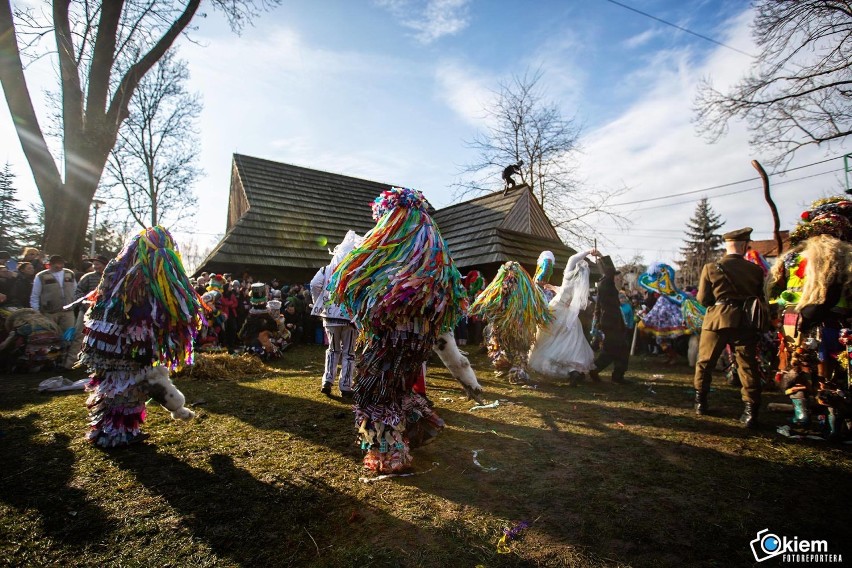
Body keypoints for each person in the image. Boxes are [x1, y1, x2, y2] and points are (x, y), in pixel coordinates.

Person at [329, 187, 467, 473]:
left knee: (374, 391)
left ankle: (390, 454)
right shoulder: (433, 261)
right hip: (416, 342)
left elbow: (351, 280)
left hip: (390, 339)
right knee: (397, 386)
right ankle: (413, 431)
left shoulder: (389, 258)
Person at [80, 227, 201, 447]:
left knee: (115, 384)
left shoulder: (116, 268)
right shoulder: (153, 269)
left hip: (103, 339)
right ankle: (116, 435)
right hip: (128, 341)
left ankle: (109, 431)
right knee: (126, 386)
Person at [694, 227, 766, 429]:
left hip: (717, 319)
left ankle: (701, 402)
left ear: (727, 246)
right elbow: (760, 298)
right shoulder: (756, 270)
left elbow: (702, 299)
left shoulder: (711, 268)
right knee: (747, 365)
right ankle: (751, 411)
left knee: (705, 362)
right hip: (745, 322)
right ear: (744, 246)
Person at [471, 261, 552, 385]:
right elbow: (538, 307)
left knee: (509, 347)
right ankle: (515, 372)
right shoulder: (529, 290)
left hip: (509, 326)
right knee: (519, 349)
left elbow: (489, 302)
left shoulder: (504, 287)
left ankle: (508, 370)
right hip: (518, 327)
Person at [528, 248, 597, 385]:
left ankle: (551, 367)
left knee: (550, 340)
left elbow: (573, 258)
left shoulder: (567, 276)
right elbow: (572, 296)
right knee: (570, 344)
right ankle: (573, 371)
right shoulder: (580, 284)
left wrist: (588, 251)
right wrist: (554, 288)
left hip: (556, 309)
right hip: (570, 315)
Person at [310, 230, 362, 398]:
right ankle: (345, 386)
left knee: (332, 350)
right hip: (349, 317)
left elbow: (314, 284)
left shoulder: (326, 270)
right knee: (348, 352)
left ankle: (327, 381)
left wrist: (320, 302)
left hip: (330, 317)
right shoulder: (356, 272)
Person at [589, 253, 630, 384]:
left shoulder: (602, 285)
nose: (618, 279)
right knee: (612, 351)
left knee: (619, 349)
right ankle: (595, 369)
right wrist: (600, 255)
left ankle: (617, 375)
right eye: (617, 277)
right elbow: (610, 270)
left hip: (610, 322)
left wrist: (597, 322)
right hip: (611, 322)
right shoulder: (606, 283)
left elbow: (597, 306)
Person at [30, 255, 77, 368]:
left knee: (69, 336)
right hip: (49, 312)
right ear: (50, 264)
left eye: (61, 263)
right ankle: (51, 361)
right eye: (56, 263)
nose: (59, 265)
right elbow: (35, 295)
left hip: (68, 311)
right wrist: (36, 311)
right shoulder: (41, 276)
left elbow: (76, 289)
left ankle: (65, 360)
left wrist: (75, 303)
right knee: (51, 337)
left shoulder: (69, 274)